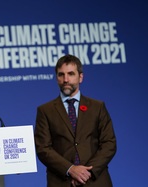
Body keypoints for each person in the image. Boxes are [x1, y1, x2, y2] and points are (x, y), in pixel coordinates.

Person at [34, 54, 116, 187]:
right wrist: (70, 169)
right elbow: (43, 148)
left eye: (71, 74)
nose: (66, 79)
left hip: (96, 180)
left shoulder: (97, 107)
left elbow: (109, 143)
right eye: (61, 75)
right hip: (62, 182)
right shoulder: (45, 110)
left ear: (80, 77)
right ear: (57, 78)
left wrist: (87, 172)